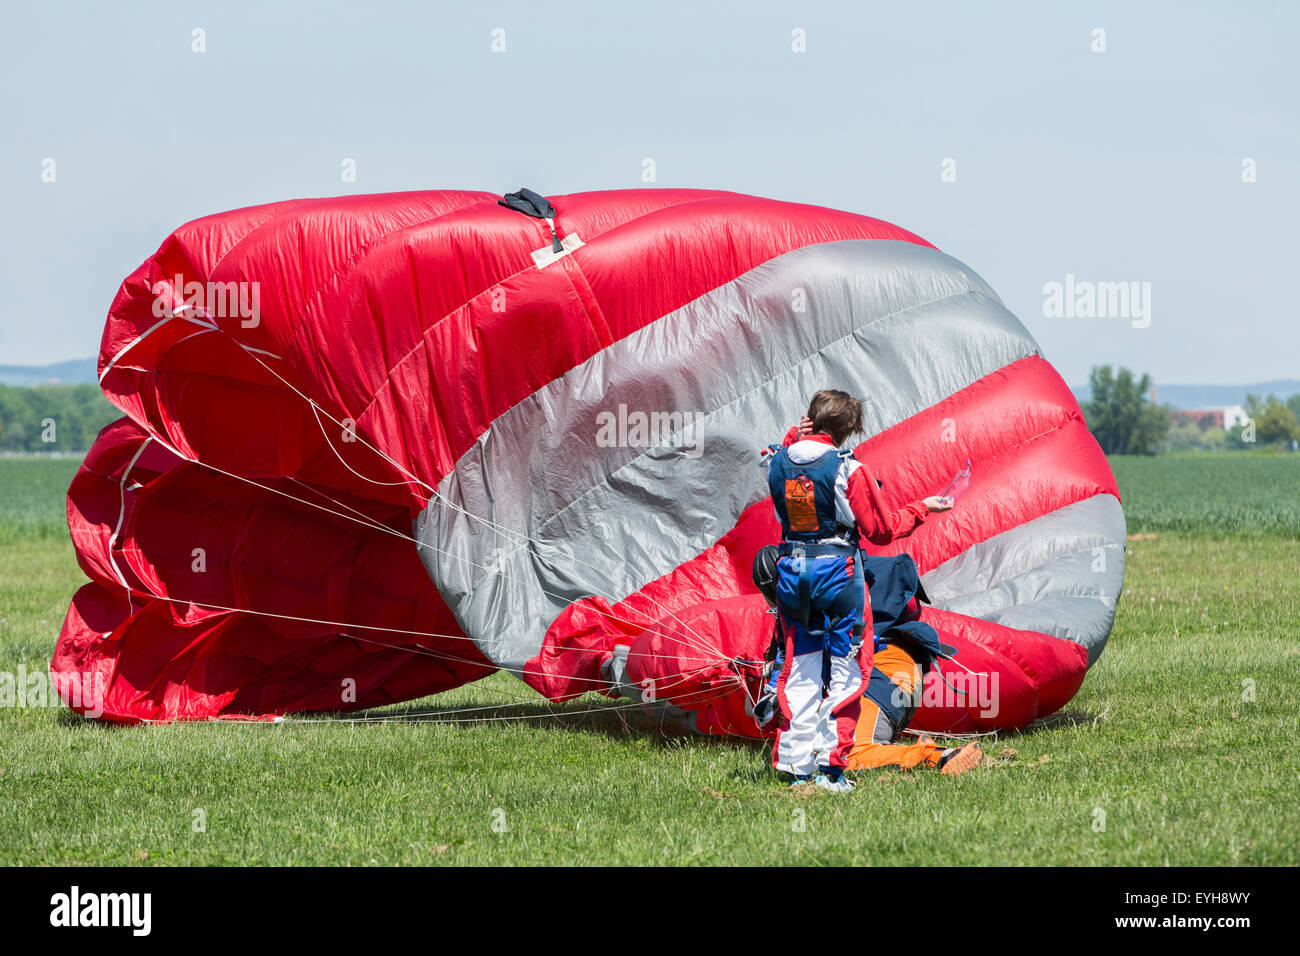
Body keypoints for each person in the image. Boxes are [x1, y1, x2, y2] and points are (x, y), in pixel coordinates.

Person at [761, 390, 951, 792]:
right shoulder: (850, 470)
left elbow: (783, 453)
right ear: (849, 430)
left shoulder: (774, 460)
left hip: (792, 573)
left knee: (800, 668)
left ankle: (795, 768)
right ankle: (831, 770)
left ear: (811, 420)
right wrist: (922, 509)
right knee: (848, 673)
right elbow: (881, 530)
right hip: (837, 575)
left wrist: (798, 432)